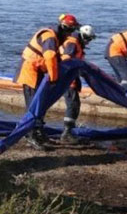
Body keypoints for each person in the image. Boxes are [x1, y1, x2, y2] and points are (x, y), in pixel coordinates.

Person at [14, 13, 80, 149]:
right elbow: (50, 58)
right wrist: (54, 78)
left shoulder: (55, 37)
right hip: (30, 72)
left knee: (41, 104)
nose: (72, 34)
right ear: (65, 28)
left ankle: (40, 133)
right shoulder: (50, 36)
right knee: (34, 106)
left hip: (38, 72)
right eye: (71, 30)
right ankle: (31, 135)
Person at [58, 24, 96, 143]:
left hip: (68, 77)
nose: (89, 42)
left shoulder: (76, 43)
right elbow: (66, 61)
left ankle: (68, 131)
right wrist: (71, 78)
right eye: (88, 39)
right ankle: (67, 134)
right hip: (66, 78)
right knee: (73, 104)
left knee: (74, 104)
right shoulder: (72, 44)